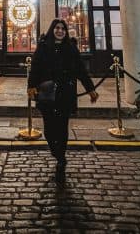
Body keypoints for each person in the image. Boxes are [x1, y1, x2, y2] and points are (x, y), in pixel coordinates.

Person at [27, 19, 98, 186]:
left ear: (66, 32)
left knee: (62, 127)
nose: (60, 31)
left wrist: (90, 89)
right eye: (57, 28)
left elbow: (81, 70)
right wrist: (31, 86)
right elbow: (35, 68)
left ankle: (61, 159)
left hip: (65, 94)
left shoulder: (71, 48)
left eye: (63, 29)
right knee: (49, 130)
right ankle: (57, 154)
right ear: (52, 30)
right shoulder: (43, 46)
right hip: (48, 94)